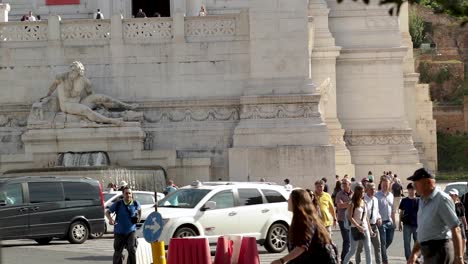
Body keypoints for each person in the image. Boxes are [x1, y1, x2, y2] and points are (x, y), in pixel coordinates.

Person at [43, 61, 137, 125]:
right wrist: (47, 95)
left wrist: (97, 103)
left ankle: (126, 106)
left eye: (75, 70)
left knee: (102, 97)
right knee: (86, 111)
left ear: (79, 72)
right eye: (72, 69)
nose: (72, 71)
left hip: (78, 102)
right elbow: (52, 87)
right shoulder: (61, 77)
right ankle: (112, 121)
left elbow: (90, 94)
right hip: (67, 105)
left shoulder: (84, 80)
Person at [407, 168, 464, 264]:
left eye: (416, 183)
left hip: (440, 251)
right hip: (428, 252)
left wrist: (459, 257)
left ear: (427, 182)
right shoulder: (422, 200)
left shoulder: (442, 199)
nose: (414, 186)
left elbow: (456, 228)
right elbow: (422, 231)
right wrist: (414, 254)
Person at [271, 189, 338, 264]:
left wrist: (281, 260)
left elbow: (302, 246)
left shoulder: (306, 221)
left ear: (297, 202)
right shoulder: (301, 219)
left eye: (290, 199)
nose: (287, 200)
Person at [106, 187, 141, 264]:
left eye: (129, 193)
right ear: (123, 194)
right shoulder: (118, 204)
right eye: (126, 193)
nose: (128, 195)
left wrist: (138, 218)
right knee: (118, 253)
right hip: (119, 232)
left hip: (131, 231)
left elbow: (139, 210)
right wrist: (110, 219)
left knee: (132, 250)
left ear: (132, 194)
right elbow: (107, 212)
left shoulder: (135, 203)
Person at [343, 184, 375, 264]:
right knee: (353, 250)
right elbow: (350, 217)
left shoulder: (364, 202)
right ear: (358, 193)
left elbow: (366, 218)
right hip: (355, 228)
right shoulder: (352, 203)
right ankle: (344, 262)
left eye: (363, 191)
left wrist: (370, 230)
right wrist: (358, 226)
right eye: (362, 192)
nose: (363, 193)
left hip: (364, 228)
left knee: (368, 248)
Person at [355, 182, 382, 264]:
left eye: (374, 189)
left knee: (378, 246)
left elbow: (376, 211)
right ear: (367, 190)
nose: (373, 191)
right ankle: (358, 262)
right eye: (371, 189)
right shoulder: (363, 200)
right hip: (364, 227)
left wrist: (379, 217)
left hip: (374, 226)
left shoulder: (376, 200)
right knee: (360, 248)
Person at [375, 175, 395, 264]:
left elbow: (393, 210)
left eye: (387, 185)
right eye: (383, 184)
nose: (385, 186)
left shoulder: (391, 195)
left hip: (390, 221)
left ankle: (380, 252)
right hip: (381, 222)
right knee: (383, 242)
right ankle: (385, 260)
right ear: (381, 184)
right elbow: (375, 209)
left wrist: (394, 222)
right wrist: (377, 218)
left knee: (389, 240)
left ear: (389, 185)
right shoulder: (376, 195)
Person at [398, 182, 418, 261]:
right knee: (406, 243)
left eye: (412, 189)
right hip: (407, 224)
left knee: (417, 243)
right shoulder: (404, 200)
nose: (411, 191)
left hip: (417, 225)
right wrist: (399, 223)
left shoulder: (419, 200)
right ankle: (408, 259)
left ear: (415, 190)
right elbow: (401, 212)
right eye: (409, 189)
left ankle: (416, 259)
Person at [335, 177, 353, 263]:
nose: (343, 185)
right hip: (342, 219)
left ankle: (346, 258)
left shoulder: (353, 194)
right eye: (342, 183)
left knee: (351, 240)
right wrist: (351, 204)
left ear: (349, 184)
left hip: (352, 219)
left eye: (345, 183)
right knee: (347, 240)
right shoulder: (339, 194)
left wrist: (348, 204)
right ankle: (344, 259)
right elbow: (340, 205)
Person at [449, 189, 468, 258]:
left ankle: (461, 255)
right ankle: (454, 256)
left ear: (456, 196)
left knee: (464, 239)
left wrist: (466, 225)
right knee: (453, 241)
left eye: (452, 195)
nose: (450, 196)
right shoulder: (448, 204)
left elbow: (463, 215)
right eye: (450, 195)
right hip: (452, 224)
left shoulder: (460, 204)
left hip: (460, 223)